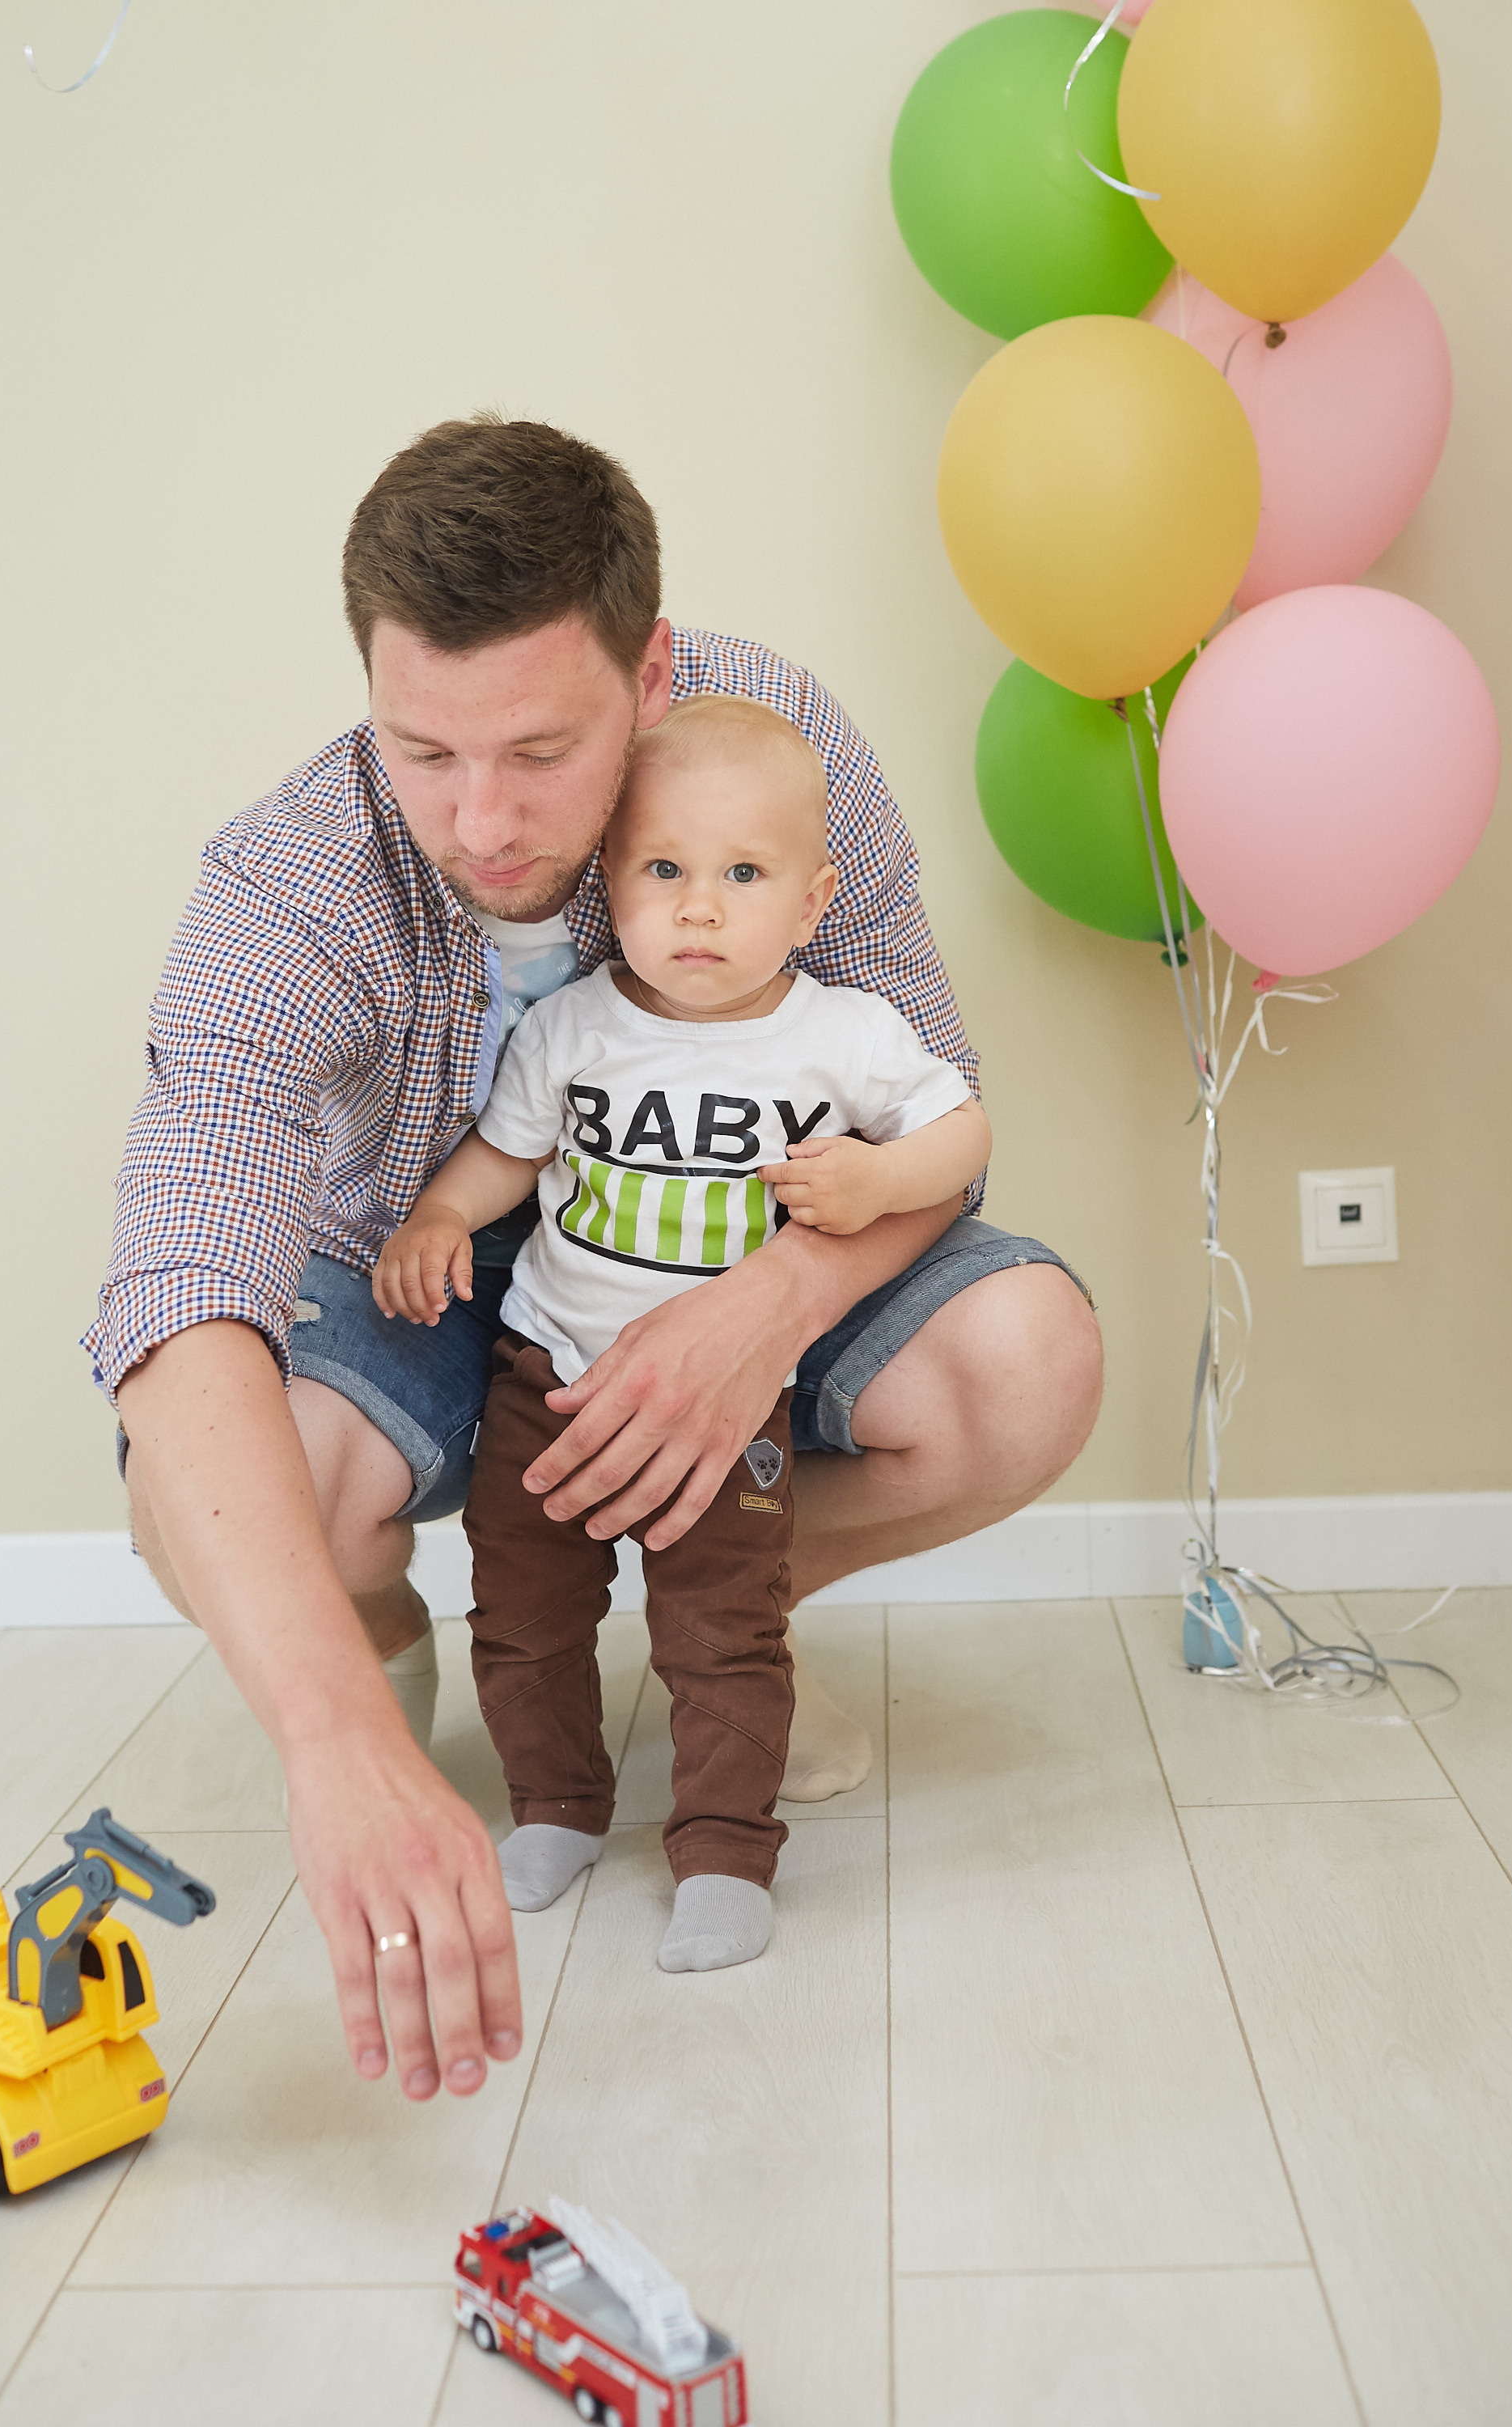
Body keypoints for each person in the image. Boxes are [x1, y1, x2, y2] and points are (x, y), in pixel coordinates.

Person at [94, 416, 1101, 2106]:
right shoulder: (284, 890)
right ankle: (396, 1649)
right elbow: (179, 1291)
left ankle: (730, 1624)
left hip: (728, 1249)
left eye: (543, 754)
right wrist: (331, 1747)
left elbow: (935, 1109)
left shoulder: (776, 756)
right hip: (419, 1257)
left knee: (1031, 1361)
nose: (481, 821)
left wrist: (767, 1305)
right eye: (423, 752)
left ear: (647, 673)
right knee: (239, 1485)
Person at [371, 695, 992, 1974]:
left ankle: (720, 1846)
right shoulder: (575, 1025)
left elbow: (962, 1131)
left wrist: (876, 1183)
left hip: (730, 1404)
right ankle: (554, 1807)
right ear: (613, 881)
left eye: (742, 875)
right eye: (664, 870)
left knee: (722, 1633)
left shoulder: (837, 1034)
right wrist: (441, 1211)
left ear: (813, 903)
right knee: (524, 1612)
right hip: (549, 1372)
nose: (699, 908)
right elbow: (505, 1153)